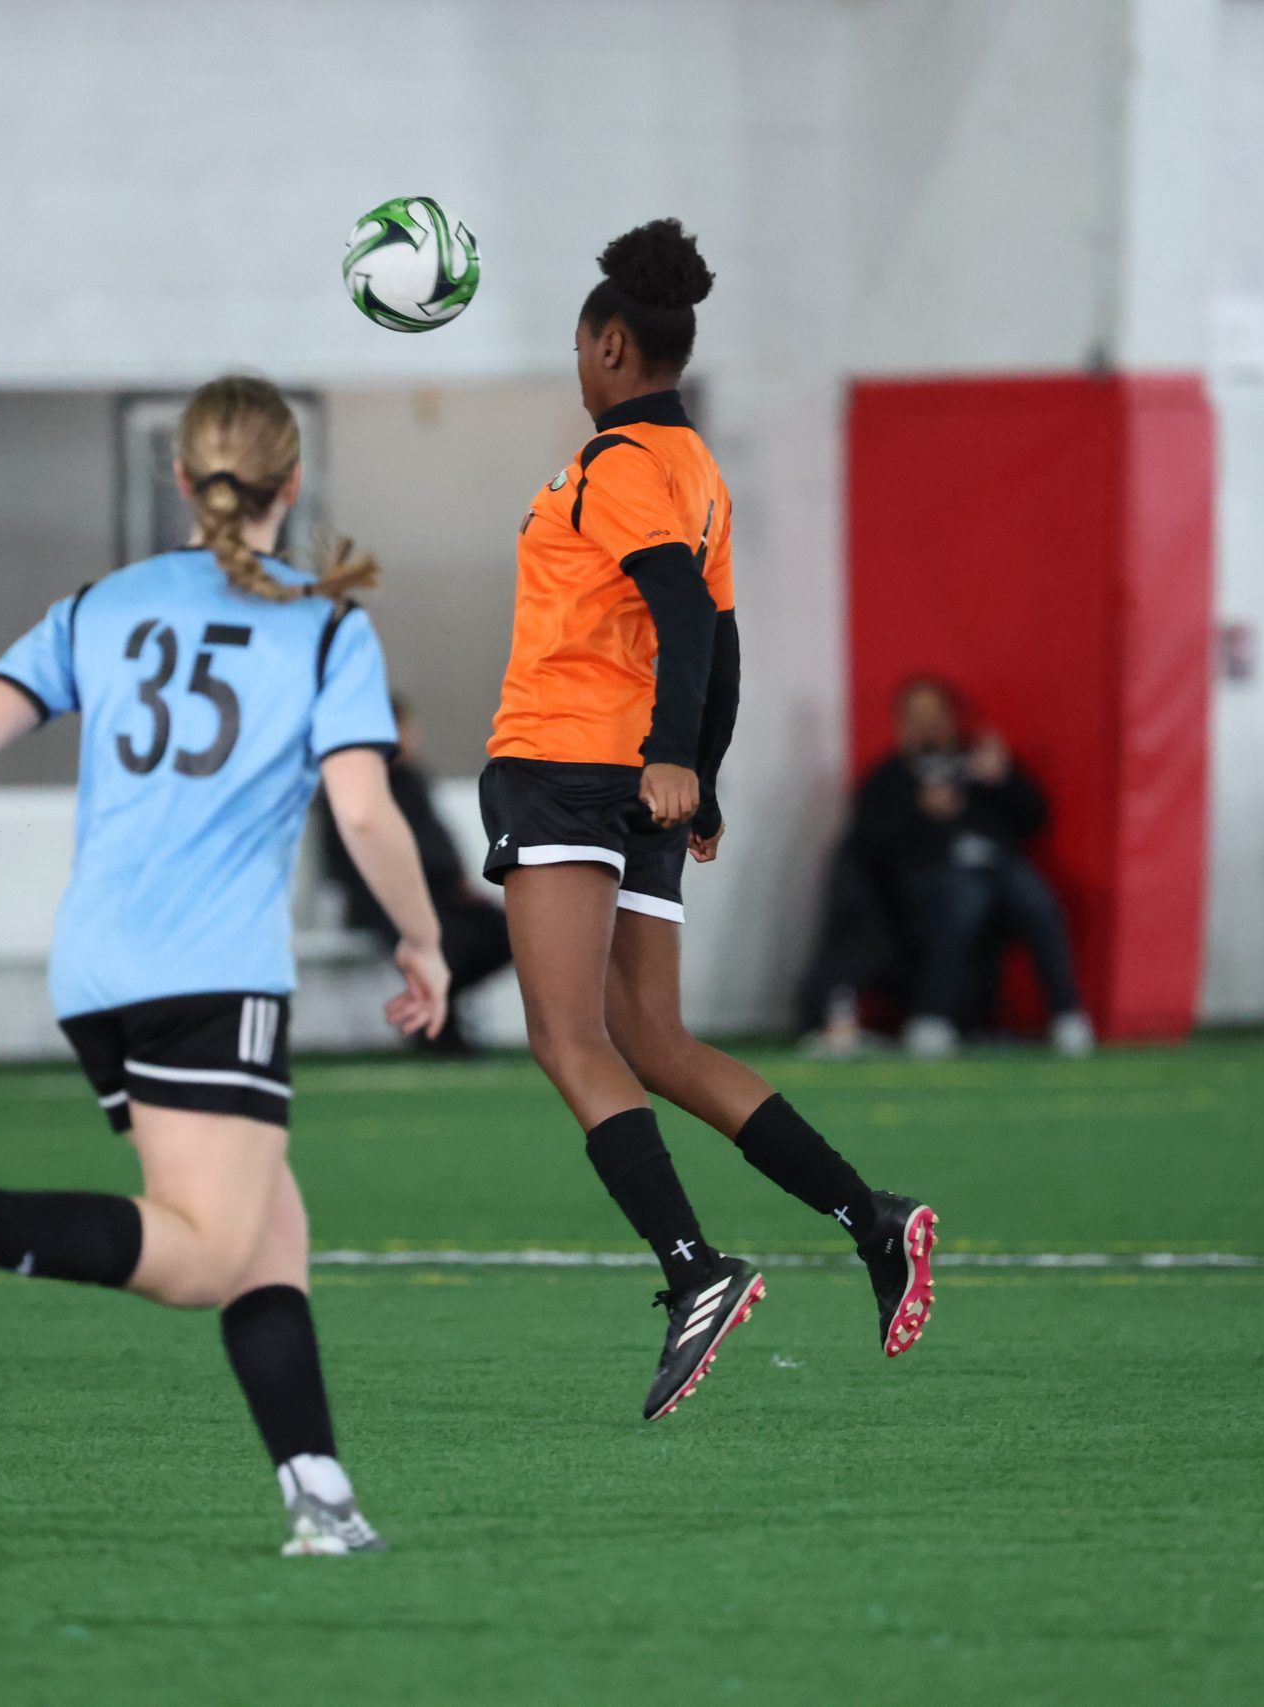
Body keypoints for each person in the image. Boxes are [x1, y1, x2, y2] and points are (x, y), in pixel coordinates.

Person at [0, 377, 450, 1558]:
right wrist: (422, 937)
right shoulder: (326, 627)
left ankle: (320, 1497)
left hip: (96, 974)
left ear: (178, 476)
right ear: (294, 482)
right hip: (212, 975)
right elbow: (367, 813)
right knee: (207, 1253)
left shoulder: (102, 606)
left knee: (265, 1233)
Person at [479, 218, 935, 1424]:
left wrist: (678, 757)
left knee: (566, 1038)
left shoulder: (619, 464)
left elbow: (684, 618)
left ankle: (694, 1271)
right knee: (656, 1041)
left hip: (569, 769)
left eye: (580, 348)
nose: (579, 368)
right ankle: (870, 1218)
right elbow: (720, 643)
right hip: (632, 785)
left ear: (611, 345)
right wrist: (702, 776)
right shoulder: (699, 473)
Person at [805, 677, 1093, 1060]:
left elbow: (1033, 818)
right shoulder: (890, 778)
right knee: (964, 898)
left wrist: (1004, 779)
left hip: (998, 872)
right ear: (901, 724)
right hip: (926, 884)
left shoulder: (981, 766)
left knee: (1034, 897)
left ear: (952, 720)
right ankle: (933, 1016)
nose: (927, 727)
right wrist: (922, 813)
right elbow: (870, 845)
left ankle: (1067, 1015)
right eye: (916, 718)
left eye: (935, 717)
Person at [317, 698, 511, 1053]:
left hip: (439, 893)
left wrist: (457, 882)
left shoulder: (412, 780)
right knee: (447, 943)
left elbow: (438, 842)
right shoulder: (352, 785)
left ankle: (438, 1014)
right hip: (380, 897)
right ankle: (438, 1024)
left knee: (504, 931)